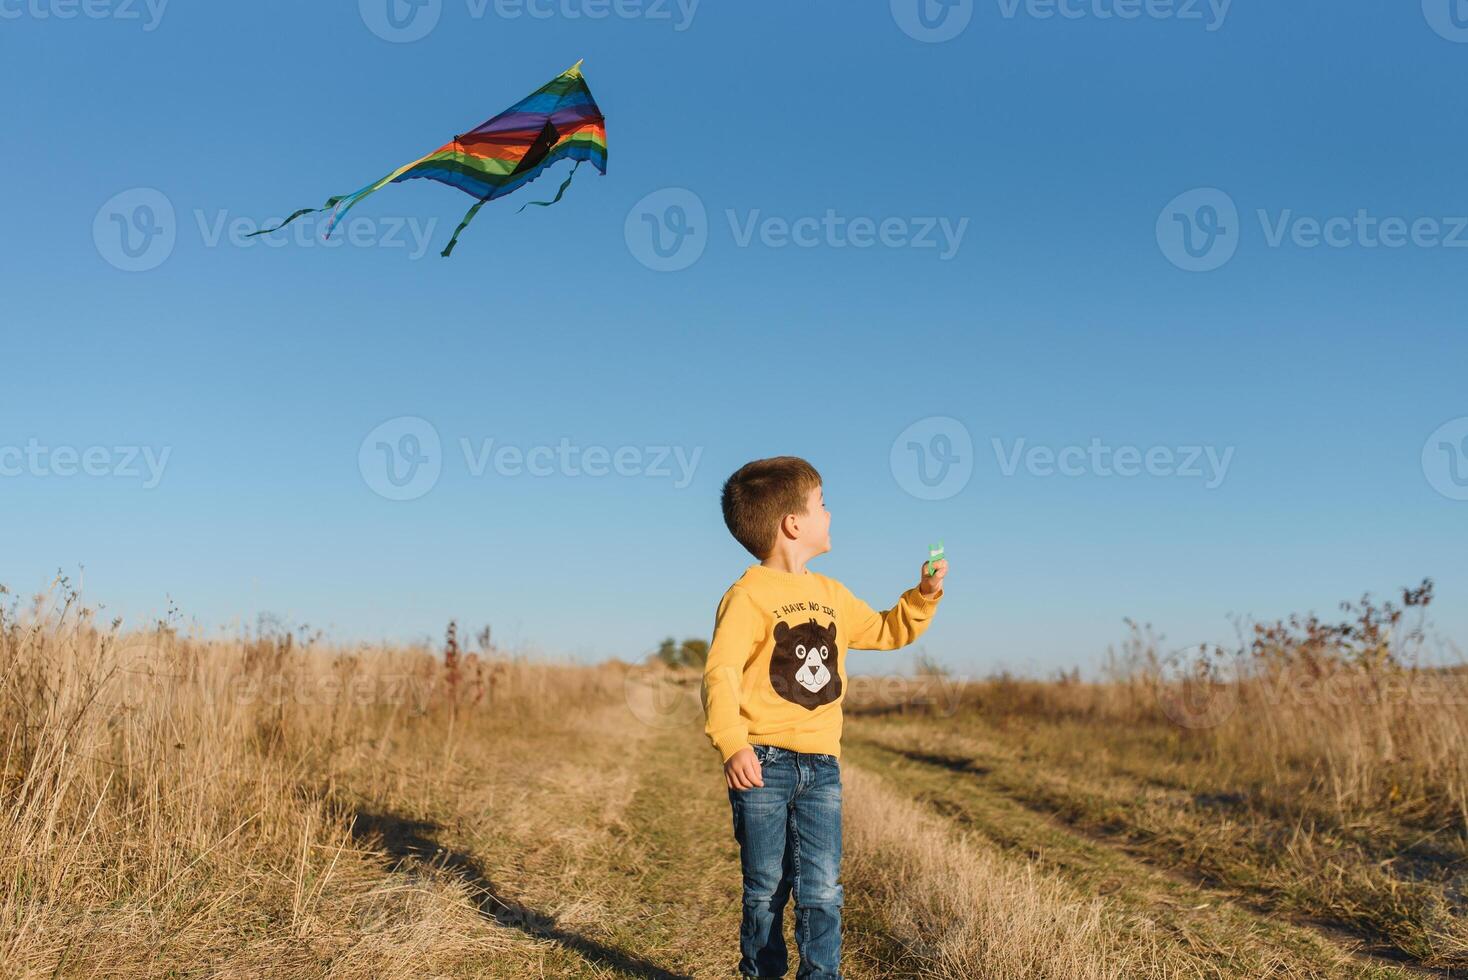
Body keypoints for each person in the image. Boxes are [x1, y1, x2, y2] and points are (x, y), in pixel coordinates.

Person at [701, 456, 948, 979]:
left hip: (822, 764)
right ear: (793, 524)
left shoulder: (831, 595)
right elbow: (720, 672)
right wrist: (732, 741)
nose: (830, 512)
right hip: (761, 763)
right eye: (821, 504)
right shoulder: (748, 596)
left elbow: (885, 631)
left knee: (823, 889)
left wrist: (922, 598)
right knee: (765, 888)